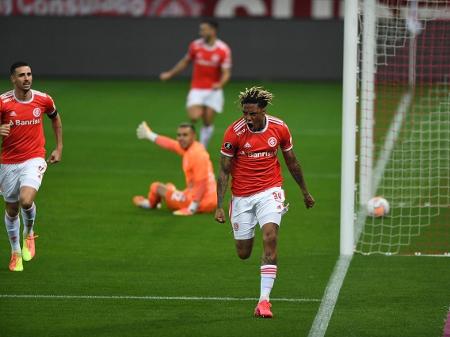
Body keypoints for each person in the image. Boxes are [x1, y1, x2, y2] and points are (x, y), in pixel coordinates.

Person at [214, 87, 315, 318]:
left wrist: (305, 192)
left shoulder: (279, 127)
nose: (248, 118)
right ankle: (262, 292)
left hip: (270, 191)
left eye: (252, 114)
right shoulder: (234, 132)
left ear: (263, 110)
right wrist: (219, 205)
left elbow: (292, 162)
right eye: (244, 114)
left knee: (270, 236)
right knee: (243, 252)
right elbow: (223, 171)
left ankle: (264, 301)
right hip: (241, 196)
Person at [0, 61, 63, 272]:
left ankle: (29, 232)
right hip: (8, 161)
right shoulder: (3, 102)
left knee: (26, 200)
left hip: (34, 157)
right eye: (21, 75)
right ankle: (15, 252)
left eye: (29, 74)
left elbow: (55, 119)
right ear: (13, 79)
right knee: (11, 208)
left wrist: (59, 147)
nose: (26, 78)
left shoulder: (43, 99)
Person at [160, 19, 232, 148]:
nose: (201, 32)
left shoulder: (223, 49)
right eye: (201, 30)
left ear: (213, 31)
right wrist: (170, 74)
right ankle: (204, 109)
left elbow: (226, 72)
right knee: (194, 116)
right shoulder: (195, 46)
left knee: (207, 121)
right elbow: (185, 62)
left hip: (213, 90)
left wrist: (220, 84)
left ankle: (202, 147)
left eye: (204, 29)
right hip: (197, 88)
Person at [133, 121, 216, 215]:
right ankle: (170, 193)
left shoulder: (197, 155)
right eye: (179, 135)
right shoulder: (192, 148)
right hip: (205, 197)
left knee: (156, 187)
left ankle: (150, 204)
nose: (181, 138)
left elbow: (202, 183)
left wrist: (191, 208)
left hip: (201, 202)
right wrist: (149, 134)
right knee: (169, 186)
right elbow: (170, 144)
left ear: (193, 136)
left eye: (185, 135)